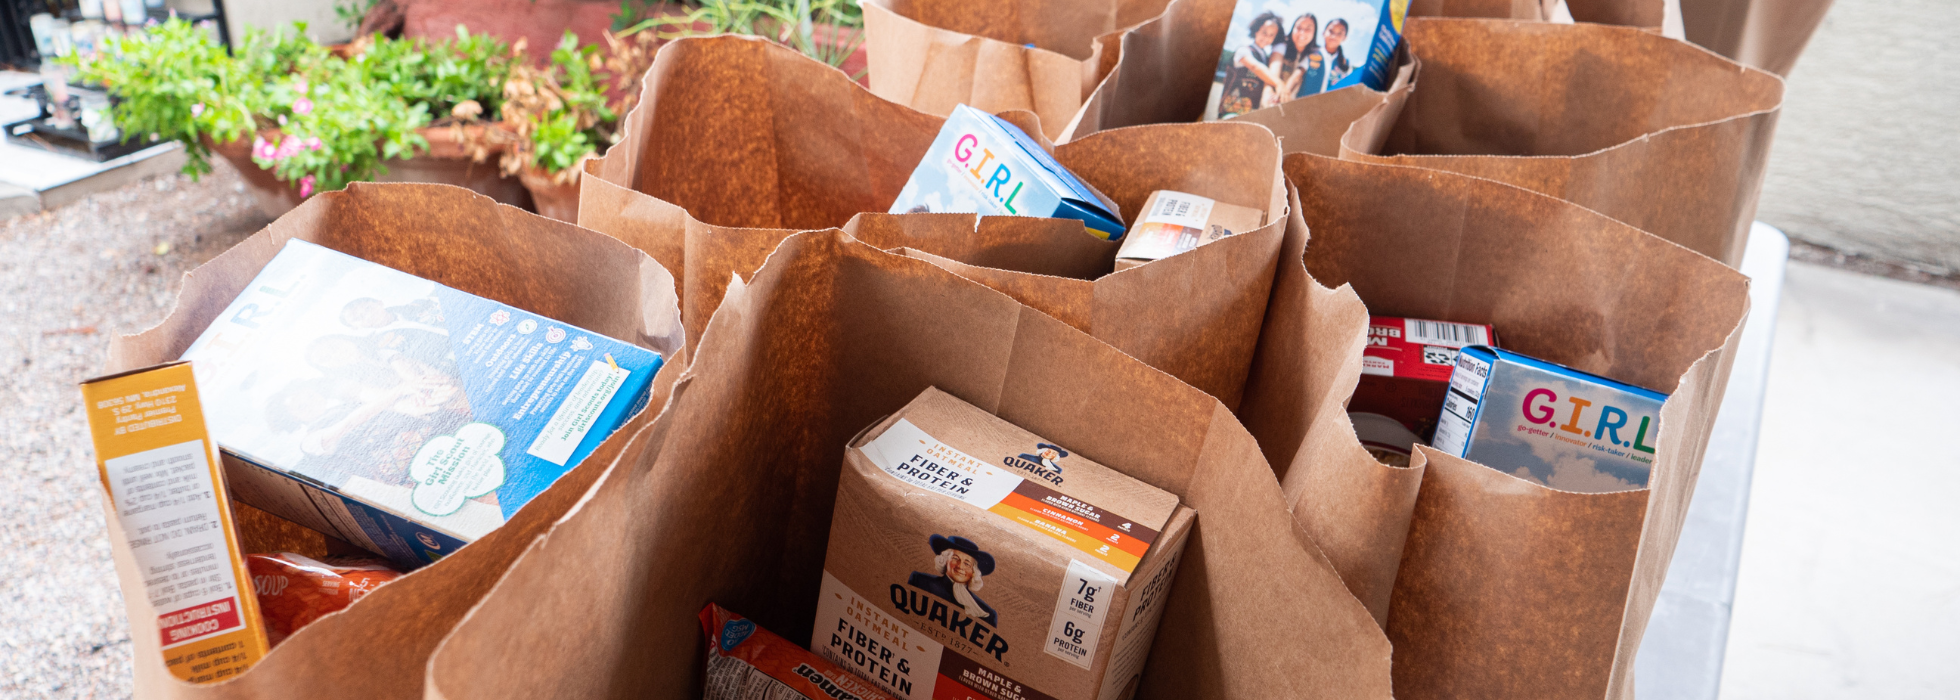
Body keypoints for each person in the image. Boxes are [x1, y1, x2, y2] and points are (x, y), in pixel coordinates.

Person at [907, 535, 999, 627]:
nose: (960, 566)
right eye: (955, 558)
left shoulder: (986, 613)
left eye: (967, 563)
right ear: (945, 560)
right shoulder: (920, 581)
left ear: (974, 572)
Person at [1217, 11, 1288, 118]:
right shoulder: (1243, 51)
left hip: (1251, 113)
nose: (1266, 37)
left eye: (1271, 35)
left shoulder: (1266, 58)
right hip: (1231, 111)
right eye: (1264, 32)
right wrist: (1279, 83)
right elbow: (1256, 67)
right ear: (1256, 31)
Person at [1277, 13, 1324, 101]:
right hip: (1275, 99)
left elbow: (1297, 75)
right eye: (1298, 28)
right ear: (1292, 28)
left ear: (1314, 32)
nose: (1302, 32)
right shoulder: (1282, 46)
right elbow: (1274, 68)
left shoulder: (1316, 55)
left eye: (1308, 29)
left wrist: (1285, 91)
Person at [1320, 19, 1353, 91]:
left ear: (1345, 38)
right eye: (1331, 31)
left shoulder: (1346, 63)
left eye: (1339, 33)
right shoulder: (1312, 54)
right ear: (1323, 33)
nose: (1334, 36)